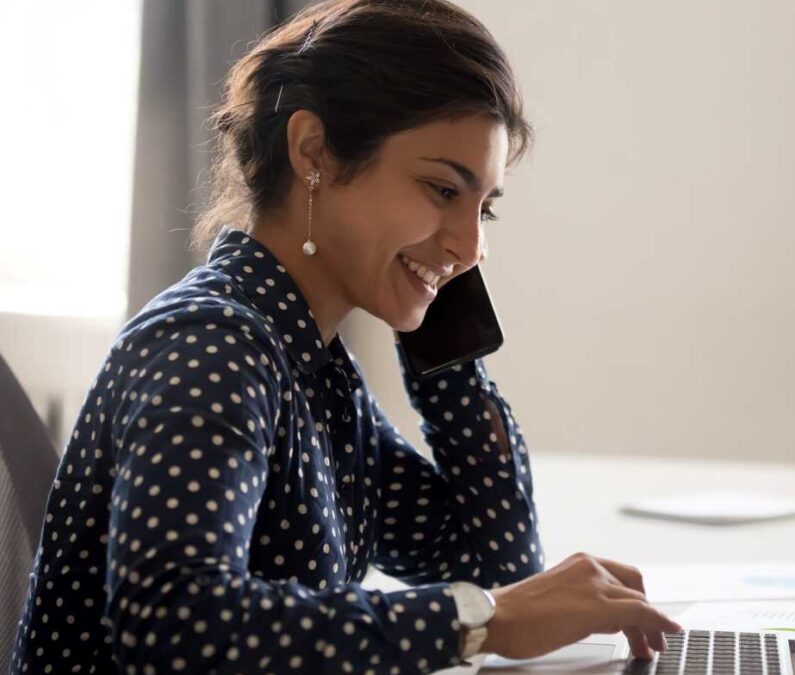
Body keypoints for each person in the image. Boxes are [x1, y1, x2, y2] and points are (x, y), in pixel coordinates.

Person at [10, 1, 680, 672]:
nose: (473, 245)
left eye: (485, 208)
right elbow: (177, 626)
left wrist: (445, 348)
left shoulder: (315, 368)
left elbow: (492, 563)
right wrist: (485, 619)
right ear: (314, 153)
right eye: (442, 188)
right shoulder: (210, 346)